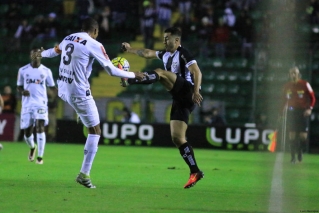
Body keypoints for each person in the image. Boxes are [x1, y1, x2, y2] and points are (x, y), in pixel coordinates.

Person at [33, 17, 145, 188]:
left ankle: (80, 112)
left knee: (82, 101)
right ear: (95, 31)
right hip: (78, 92)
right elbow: (111, 70)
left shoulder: (68, 38)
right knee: (95, 130)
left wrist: (40, 54)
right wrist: (133, 75)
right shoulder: (94, 44)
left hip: (63, 88)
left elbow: (54, 51)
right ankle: (84, 174)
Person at [121, 27, 204, 189]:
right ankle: (195, 171)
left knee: (160, 72)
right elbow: (146, 53)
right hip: (179, 98)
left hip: (187, 91)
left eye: (167, 38)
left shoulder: (183, 53)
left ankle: (131, 79)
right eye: (164, 38)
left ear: (177, 40)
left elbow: (197, 72)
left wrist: (195, 91)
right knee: (177, 138)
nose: (164, 41)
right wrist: (130, 49)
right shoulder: (165, 54)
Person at [17, 48, 56, 165]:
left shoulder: (46, 71)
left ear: (41, 56)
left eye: (38, 53)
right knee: (27, 133)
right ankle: (33, 147)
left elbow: (52, 87)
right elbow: (18, 86)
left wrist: (52, 95)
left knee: (40, 127)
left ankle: (40, 156)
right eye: (33, 53)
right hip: (27, 104)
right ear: (30, 56)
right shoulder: (23, 70)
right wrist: (22, 91)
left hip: (41, 103)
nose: (35, 55)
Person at [281, 67, 316, 163]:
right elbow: (283, 100)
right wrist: (282, 111)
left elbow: (313, 98)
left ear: (298, 74)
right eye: (291, 73)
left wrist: (310, 108)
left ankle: (300, 151)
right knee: (291, 134)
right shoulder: (286, 86)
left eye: (295, 73)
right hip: (291, 111)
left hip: (303, 112)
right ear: (289, 75)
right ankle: (292, 157)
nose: (293, 75)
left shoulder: (305, 84)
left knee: (303, 136)